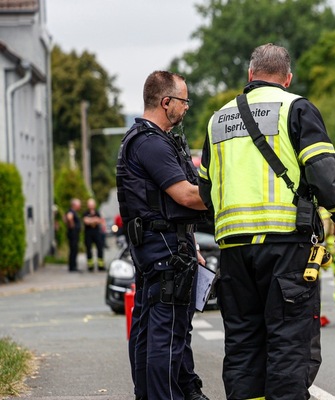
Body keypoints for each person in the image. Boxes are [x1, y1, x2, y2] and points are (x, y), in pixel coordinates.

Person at [198, 43, 335, 400]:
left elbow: (205, 188)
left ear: (250, 75)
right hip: (285, 245)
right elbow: (323, 173)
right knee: (287, 341)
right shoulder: (296, 108)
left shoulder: (217, 119)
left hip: (233, 250)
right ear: (288, 78)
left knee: (242, 342)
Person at [116, 70, 210, 400]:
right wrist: (227, 193)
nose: (186, 108)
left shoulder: (141, 139)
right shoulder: (151, 143)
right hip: (166, 254)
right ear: (166, 101)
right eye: (183, 101)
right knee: (167, 337)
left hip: (161, 249)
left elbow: (166, 206)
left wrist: (192, 242)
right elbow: (185, 195)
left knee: (154, 332)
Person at [82, 198, 106, 272]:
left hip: (97, 233)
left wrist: (92, 220)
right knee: (89, 249)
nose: (91, 206)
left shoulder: (97, 212)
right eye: (90, 205)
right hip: (88, 234)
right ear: (88, 205)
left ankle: (100, 266)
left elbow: (101, 221)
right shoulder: (85, 213)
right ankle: (90, 266)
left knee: (100, 249)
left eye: (92, 204)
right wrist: (95, 220)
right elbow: (86, 221)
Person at [64, 198, 81, 272]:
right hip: (73, 234)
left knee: (74, 250)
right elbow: (68, 217)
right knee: (73, 250)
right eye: (78, 205)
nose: (79, 207)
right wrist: (72, 226)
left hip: (74, 234)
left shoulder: (73, 212)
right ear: (74, 205)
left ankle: (73, 265)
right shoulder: (71, 211)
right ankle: (72, 266)